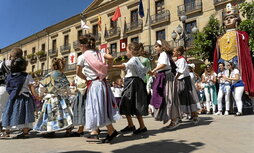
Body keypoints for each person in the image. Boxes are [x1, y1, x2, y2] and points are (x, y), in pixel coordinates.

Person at [76, 34, 119, 143]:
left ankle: (107, 131)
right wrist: (108, 67)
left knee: (97, 108)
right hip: (103, 83)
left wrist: (85, 78)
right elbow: (111, 57)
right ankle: (110, 131)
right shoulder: (100, 53)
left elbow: (78, 72)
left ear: (82, 45)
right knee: (102, 107)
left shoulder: (82, 56)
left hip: (94, 85)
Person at [213, 3, 254, 97]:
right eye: (226, 18)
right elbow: (217, 54)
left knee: (237, 82)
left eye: (231, 17)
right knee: (224, 85)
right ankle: (226, 107)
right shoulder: (220, 38)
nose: (228, 20)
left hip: (236, 61)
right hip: (222, 63)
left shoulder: (241, 34)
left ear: (236, 19)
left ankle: (240, 104)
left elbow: (245, 52)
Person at [113, 42, 149, 134]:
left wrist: (111, 66)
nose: (126, 52)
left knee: (126, 102)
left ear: (131, 51)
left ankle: (135, 125)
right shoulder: (136, 59)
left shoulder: (133, 60)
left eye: (127, 50)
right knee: (133, 104)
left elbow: (124, 66)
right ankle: (138, 125)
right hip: (134, 82)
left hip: (131, 83)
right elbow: (144, 70)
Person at [33, 58, 73, 137]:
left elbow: (42, 86)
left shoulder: (49, 75)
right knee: (66, 114)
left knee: (51, 115)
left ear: (53, 65)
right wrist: (68, 94)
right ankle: (68, 129)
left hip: (52, 99)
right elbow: (67, 88)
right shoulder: (62, 75)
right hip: (62, 99)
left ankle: (51, 131)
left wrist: (40, 95)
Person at [2, 56, 38, 138]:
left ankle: (7, 130)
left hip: (13, 98)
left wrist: (13, 93)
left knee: (9, 112)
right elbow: (32, 88)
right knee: (25, 114)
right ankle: (25, 131)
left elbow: (8, 88)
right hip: (25, 98)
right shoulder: (27, 76)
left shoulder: (9, 76)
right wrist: (36, 96)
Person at [149, 40, 181, 129]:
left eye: (156, 46)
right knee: (167, 98)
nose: (155, 48)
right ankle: (172, 118)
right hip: (164, 76)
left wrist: (154, 70)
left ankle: (174, 120)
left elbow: (164, 64)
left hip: (167, 77)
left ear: (161, 47)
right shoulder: (163, 54)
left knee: (169, 98)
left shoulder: (163, 54)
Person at [0, 47, 23, 137]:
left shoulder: (2, 64)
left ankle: (2, 130)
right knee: (8, 110)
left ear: (10, 55)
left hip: (1, 88)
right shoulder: (16, 65)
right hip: (11, 89)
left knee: (1, 110)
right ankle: (7, 130)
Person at [173, 46, 199, 124]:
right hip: (180, 80)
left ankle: (195, 116)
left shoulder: (182, 60)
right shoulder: (177, 60)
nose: (173, 52)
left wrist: (175, 78)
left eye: (174, 51)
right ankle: (180, 116)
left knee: (190, 97)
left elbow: (181, 70)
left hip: (185, 80)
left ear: (179, 52)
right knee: (180, 98)